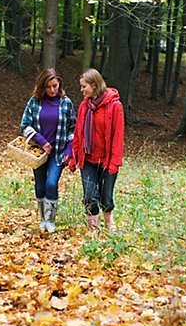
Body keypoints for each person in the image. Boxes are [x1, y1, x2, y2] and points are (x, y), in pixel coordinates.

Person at [20, 68, 76, 233]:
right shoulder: (34, 102)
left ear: (59, 84)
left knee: (51, 183)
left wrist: (69, 149)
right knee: (40, 186)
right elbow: (25, 125)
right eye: (49, 87)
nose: (52, 90)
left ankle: (51, 220)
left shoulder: (66, 103)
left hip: (58, 153)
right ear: (42, 87)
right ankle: (43, 219)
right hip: (39, 153)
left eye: (55, 86)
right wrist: (41, 141)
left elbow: (73, 128)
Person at [69, 68, 124, 231]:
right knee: (89, 196)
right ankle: (93, 229)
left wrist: (114, 163)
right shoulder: (84, 106)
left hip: (107, 160)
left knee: (106, 198)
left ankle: (108, 224)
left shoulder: (115, 106)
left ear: (94, 85)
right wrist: (74, 157)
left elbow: (118, 137)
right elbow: (78, 133)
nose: (81, 90)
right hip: (88, 159)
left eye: (84, 86)